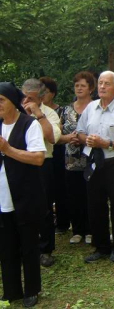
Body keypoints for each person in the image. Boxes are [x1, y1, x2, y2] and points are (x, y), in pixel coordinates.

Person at [76, 71, 114, 263]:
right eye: (100, 83)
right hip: (93, 160)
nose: (102, 87)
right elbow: (80, 132)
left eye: (107, 84)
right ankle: (101, 246)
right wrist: (88, 140)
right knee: (95, 204)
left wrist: (106, 143)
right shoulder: (90, 108)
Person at [0, 82, 46, 308]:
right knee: (6, 245)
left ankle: (31, 289)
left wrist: (8, 150)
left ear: (13, 103)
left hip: (26, 194)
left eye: (1, 100)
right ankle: (11, 290)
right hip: (2, 196)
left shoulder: (29, 124)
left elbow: (38, 158)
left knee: (28, 244)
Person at [21, 79, 61, 268]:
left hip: (43, 162)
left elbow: (52, 137)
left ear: (42, 97)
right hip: (19, 162)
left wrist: (38, 115)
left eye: (32, 98)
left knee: (44, 208)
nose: (26, 101)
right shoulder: (15, 111)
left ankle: (45, 249)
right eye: (24, 96)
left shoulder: (50, 114)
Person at [58, 71, 95, 245]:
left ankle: (90, 230)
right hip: (71, 159)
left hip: (91, 159)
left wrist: (84, 138)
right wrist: (68, 138)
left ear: (91, 89)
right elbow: (57, 134)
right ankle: (78, 230)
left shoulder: (96, 107)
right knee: (74, 195)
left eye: (83, 85)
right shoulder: (66, 109)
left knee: (90, 195)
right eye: (77, 85)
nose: (79, 88)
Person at [39, 77, 70, 235]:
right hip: (41, 153)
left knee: (59, 187)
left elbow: (56, 135)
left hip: (57, 152)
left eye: (46, 91)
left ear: (53, 93)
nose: (43, 93)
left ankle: (62, 221)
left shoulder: (57, 112)